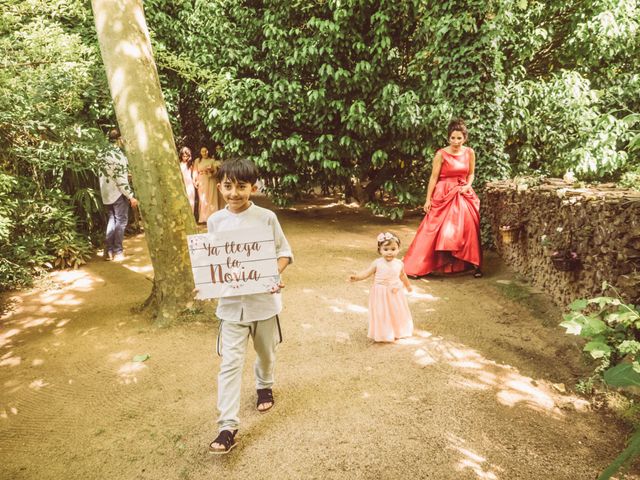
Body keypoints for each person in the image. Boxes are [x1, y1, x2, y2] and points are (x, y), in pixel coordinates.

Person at [206, 158, 293, 455]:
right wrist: (207, 280)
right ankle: (227, 426)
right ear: (220, 187)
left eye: (241, 186)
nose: (234, 193)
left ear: (253, 187)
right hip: (230, 308)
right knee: (229, 364)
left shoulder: (266, 217)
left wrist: (274, 276)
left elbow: (284, 253)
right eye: (228, 187)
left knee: (266, 354)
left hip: (264, 304)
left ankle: (264, 385)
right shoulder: (215, 221)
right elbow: (213, 261)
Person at [403, 118, 482, 278]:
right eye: (453, 138)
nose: (456, 141)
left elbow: (471, 173)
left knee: (469, 226)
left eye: (459, 138)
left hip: (462, 192)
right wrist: (428, 199)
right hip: (443, 192)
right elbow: (433, 177)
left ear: (464, 138)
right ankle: (416, 266)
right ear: (448, 138)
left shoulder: (469, 152)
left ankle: (474, 265)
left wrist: (467, 185)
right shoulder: (441, 154)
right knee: (432, 228)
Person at [349, 232, 414, 342]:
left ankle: (398, 330)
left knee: (396, 310)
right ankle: (384, 333)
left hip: (395, 292)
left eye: (393, 249)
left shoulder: (399, 263)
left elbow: (402, 275)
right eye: (386, 249)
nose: (389, 252)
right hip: (380, 293)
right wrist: (357, 277)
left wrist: (408, 286)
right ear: (380, 250)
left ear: (398, 249)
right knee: (382, 312)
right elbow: (367, 273)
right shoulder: (377, 263)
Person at [98, 129, 138, 261]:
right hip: (118, 192)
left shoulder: (102, 153)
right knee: (121, 221)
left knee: (112, 220)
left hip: (106, 192)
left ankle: (108, 251)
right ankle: (118, 251)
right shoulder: (117, 155)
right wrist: (130, 195)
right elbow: (120, 179)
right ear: (119, 139)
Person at [193, 146, 224, 224]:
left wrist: (211, 170)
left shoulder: (212, 160)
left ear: (208, 151)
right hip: (202, 180)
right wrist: (195, 181)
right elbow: (195, 171)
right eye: (203, 151)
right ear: (200, 152)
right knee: (203, 199)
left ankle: (213, 217)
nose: (204, 153)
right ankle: (203, 218)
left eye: (206, 151)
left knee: (212, 198)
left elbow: (216, 172)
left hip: (211, 180)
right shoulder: (198, 161)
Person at [178, 146, 197, 220]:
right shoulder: (179, 164)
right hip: (182, 183)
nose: (185, 157)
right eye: (183, 156)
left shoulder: (190, 164)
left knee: (190, 200)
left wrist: (195, 181)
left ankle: (191, 217)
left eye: (186, 156)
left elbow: (194, 174)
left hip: (189, 183)